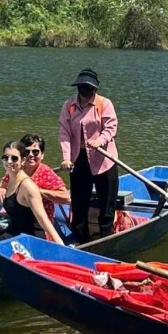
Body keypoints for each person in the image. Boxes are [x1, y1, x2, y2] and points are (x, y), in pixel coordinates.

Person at [0, 139, 68, 270]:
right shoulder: (10, 179)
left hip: (28, 239)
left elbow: (43, 219)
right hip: (14, 231)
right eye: (5, 158)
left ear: (23, 161)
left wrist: (61, 247)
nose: (9, 162)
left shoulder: (27, 186)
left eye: (14, 158)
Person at [59, 67, 119, 243]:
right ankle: (81, 239)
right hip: (79, 160)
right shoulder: (69, 106)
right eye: (81, 87)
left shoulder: (104, 104)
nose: (84, 92)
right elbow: (64, 132)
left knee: (107, 203)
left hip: (104, 159)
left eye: (88, 88)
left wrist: (99, 141)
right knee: (78, 203)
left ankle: (106, 237)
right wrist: (66, 157)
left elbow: (111, 128)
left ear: (95, 89)